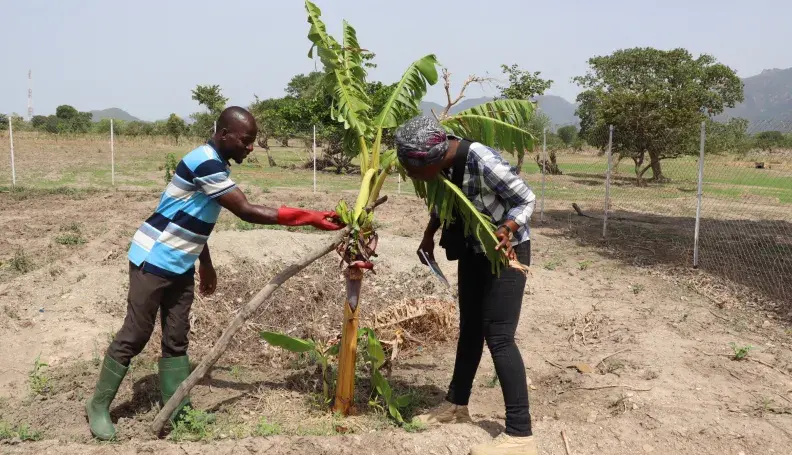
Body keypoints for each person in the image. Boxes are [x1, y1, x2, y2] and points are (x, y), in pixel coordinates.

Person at [85, 106, 344, 440]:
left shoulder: (216, 163)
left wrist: (205, 263)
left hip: (180, 263)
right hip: (154, 258)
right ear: (224, 135)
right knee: (135, 334)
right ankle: (98, 405)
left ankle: (175, 407)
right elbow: (246, 210)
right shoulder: (205, 162)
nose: (250, 147)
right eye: (246, 141)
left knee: (176, 339)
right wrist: (309, 218)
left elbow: (194, 217)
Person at [395, 115, 537, 455]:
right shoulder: (441, 164)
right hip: (475, 247)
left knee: (499, 336)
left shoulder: (480, 159)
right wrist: (429, 236)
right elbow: (447, 199)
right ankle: (456, 407)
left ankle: (521, 435)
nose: (412, 177)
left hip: (506, 250)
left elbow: (526, 198)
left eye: (413, 171)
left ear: (431, 159)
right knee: (471, 328)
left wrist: (510, 226)